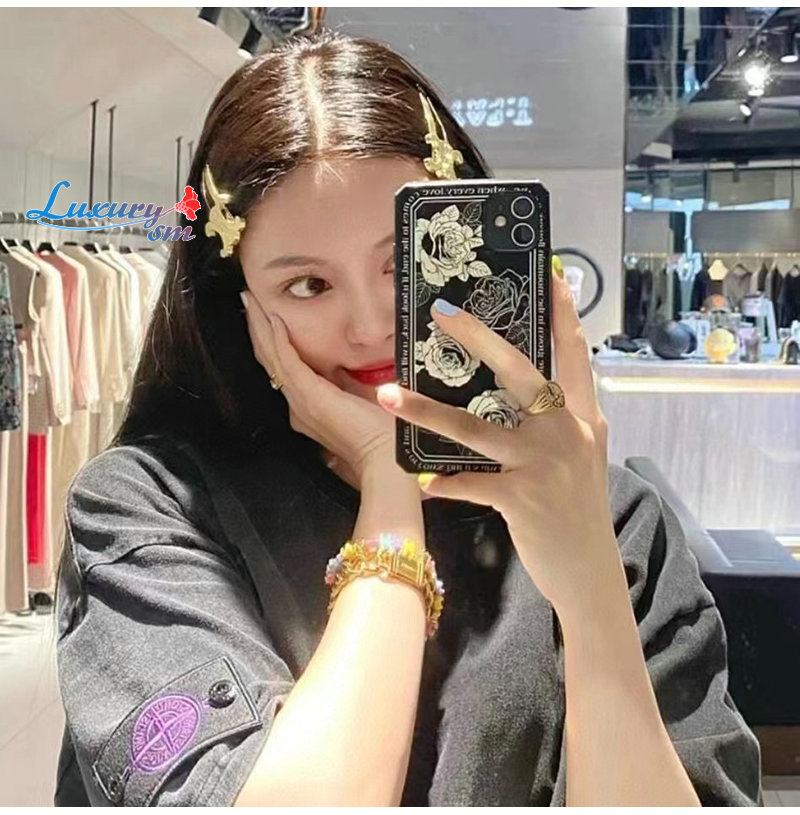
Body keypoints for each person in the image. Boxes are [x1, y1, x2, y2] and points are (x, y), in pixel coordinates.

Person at [53, 30, 761, 806]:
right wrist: (389, 490)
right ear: (240, 304)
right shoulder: (150, 506)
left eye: (401, 264)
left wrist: (589, 578)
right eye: (307, 285)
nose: (370, 326)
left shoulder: (615, 518)